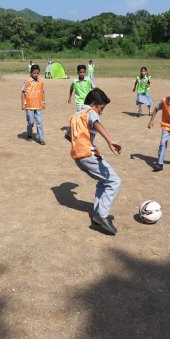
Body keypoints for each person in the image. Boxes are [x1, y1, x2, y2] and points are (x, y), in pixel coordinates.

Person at [65, 88, 121, 235]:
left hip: (78, 156)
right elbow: (95, 121)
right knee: (114, 181)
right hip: (88, 154)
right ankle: (101, 216)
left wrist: (79, 142)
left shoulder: (74, 116)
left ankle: (97, 213)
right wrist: (110, 141)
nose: (101, 112)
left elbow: (68, 136)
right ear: (94, 104)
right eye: (101, 108)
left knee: (104, 181)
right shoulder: (90, 112)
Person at [21, 64, 46, 145]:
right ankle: (29, 134)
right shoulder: (27, 81)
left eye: (37, 73)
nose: (36, 75)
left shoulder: (41, 81)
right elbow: (23, 92)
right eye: (34, 73)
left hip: (38, 105)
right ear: (31, 73)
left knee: (39, 122)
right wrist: (23, 104)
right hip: (29, 105)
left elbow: (43, 92)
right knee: (31, 122)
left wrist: (43, 102)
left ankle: (41, 138)